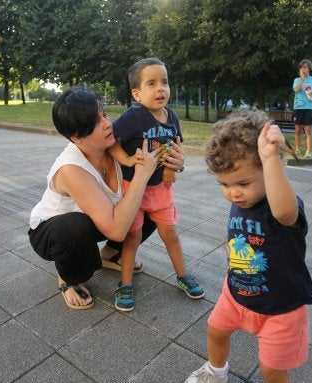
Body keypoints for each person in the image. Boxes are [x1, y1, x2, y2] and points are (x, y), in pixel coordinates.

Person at [186, 110, 312, 383]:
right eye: (224, 184)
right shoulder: (241, 200)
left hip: (280, 306)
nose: (233, 193)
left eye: (243, 183)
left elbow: (284, 214)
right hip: (236, 294)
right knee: (215, 331)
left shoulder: (279, 204)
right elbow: (239, 232)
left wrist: (270, 159)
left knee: (271, 370)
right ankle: (215, 372)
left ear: (268, 171)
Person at [27, 86, 162, 310]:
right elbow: (117, 230)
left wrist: (176, 163)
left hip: (99, 221)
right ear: (77, 137)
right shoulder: (71, 169)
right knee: (75, 225)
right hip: (54, 232)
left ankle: (110, 254)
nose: (108, 124)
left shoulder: (115, 145)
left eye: (105, 114)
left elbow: (156, 161)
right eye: (96, 123)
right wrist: (142, 174)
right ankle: (68, 277)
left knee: (154, 205)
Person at [108, 57, 205, 312]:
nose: (161, 88)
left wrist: (173, 167)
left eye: (164, 82)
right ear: (137, 93)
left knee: (170, 234)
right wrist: (127, 158)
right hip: (134, 189)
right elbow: (111, 141)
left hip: (162, 189)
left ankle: (183, 275)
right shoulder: (133, 116)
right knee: (132, 238)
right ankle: (125, 282)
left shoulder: (171, 115)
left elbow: (177, 143)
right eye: (151, 83)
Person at [292, 59, 312, 159]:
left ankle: (308, 152)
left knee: (308, 131)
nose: (303, 69)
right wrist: (302, 79)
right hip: (298, 108)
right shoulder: (297, 80)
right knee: (297, 131)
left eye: (305, 67)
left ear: (309, 68)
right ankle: (297, 150)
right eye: (301, 67)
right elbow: (296, 90)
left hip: (309, 108)